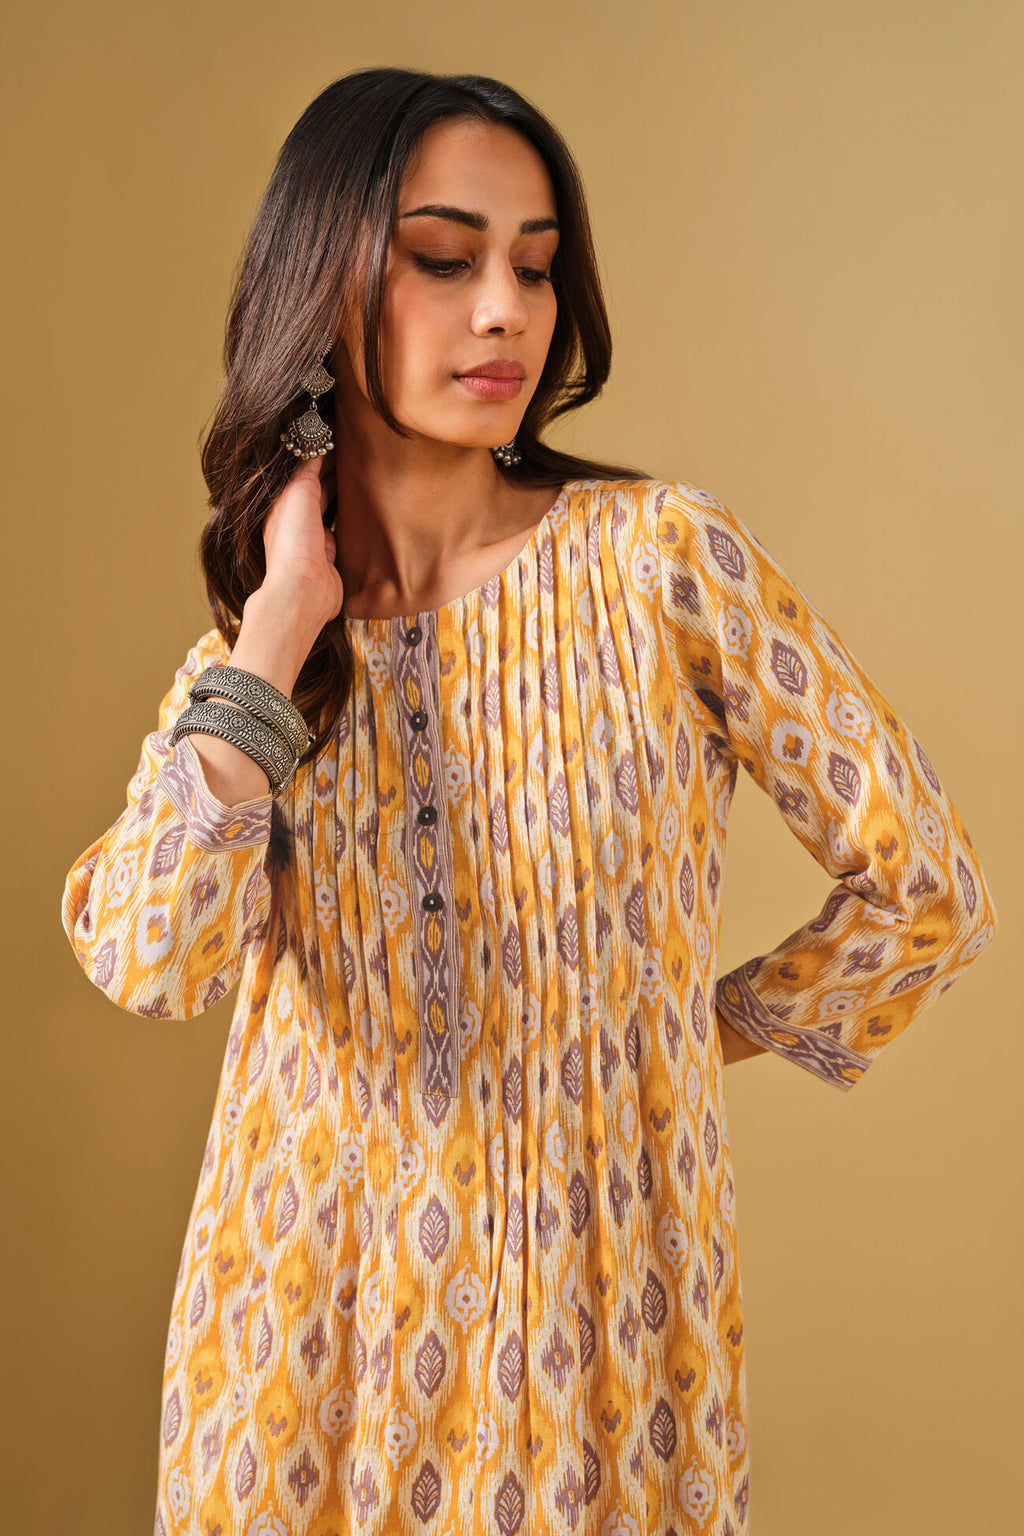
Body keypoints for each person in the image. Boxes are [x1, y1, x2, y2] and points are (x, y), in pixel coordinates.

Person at [60, 66, 998, 1536]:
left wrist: (680, 1035)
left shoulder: (662, 567)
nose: (505, 309)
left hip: (591, 1337)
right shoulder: (259, 663)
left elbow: (926, 888)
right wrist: (280, 625)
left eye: (537, 266)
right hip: (295, 1354)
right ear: (324, 287)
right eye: (446, 259)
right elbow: (148, 961)